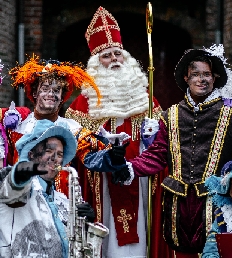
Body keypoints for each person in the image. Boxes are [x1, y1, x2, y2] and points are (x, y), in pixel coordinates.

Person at [119, 48, 232, 258]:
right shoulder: (170, 115)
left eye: (206, 74)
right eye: (196, 74)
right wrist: (129, 167)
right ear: (187, 78)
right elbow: (157, 155)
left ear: (214, 78)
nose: (201, 80)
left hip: (216, 206)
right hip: (177, 208)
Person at [64, 6, 169, 258]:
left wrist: (149, 140)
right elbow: (74, 149)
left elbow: (163, 146)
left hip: (141, 184)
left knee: (142, 234)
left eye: (117, 54)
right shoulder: (82, 105)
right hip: (101, 185)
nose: (114, 60)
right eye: (106, 56)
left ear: (126, 58)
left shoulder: (147, 100)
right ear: (95, 64)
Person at [3, 56, 129, 195]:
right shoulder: (18, 126)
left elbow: (90, 157)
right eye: (45, 88)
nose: (51, 94)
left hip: (59, 200)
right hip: (21, 199)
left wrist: (112, 156)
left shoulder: (72, 128)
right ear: (35, 93)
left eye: (57, 90)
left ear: (62, 97)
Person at [0, 119, 96, 257]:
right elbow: (12, 187)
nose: (54, 158)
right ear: (31, 154)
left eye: (60, 154)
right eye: (48, 150)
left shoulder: (62, 200)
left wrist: (86, 224)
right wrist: (20, 174)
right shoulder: (22, 188)